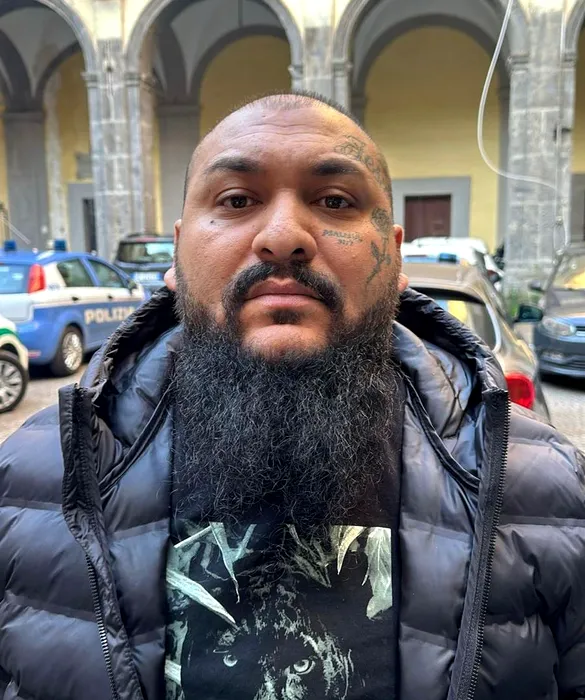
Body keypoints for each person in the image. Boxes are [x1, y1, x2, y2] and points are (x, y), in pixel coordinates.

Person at [1, 92, 584, 700]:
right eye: (236, 200)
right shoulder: (33, 479)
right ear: (177, 253)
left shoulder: (542, 488)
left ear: (395, 257)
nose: (282, 237)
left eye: (335, 201)